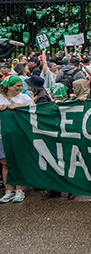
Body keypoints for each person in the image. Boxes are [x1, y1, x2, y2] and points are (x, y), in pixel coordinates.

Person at [0, 75, 33, 203]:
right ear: (9, 86)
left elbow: (34, 112)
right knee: (5, 163)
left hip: (19, 135)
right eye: (17, 86)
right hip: (2, 135)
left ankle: (20, 190)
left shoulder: (24, 98)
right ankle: (9, 190)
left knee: (18, 162)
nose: (20, 88)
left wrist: (21, 107)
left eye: (21, 85)